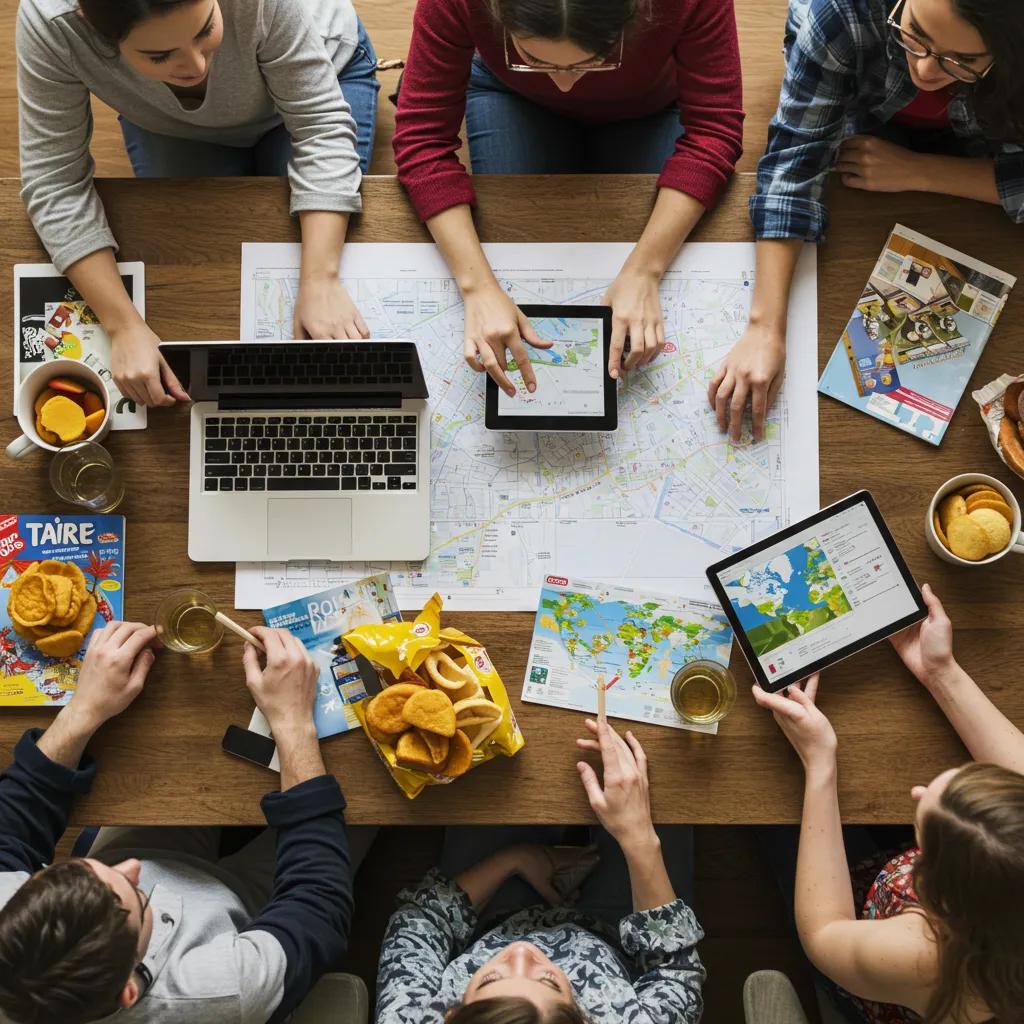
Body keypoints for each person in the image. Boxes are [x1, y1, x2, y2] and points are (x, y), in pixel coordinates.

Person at [0, 621, 369, 1024]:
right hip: (253, 911)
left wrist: (83, 707)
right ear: (129, 990)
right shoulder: (221, 992)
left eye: (83, 872)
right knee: (363, 804)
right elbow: (317, 903)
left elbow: (12, 825)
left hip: (168, 855)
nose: (132, 868)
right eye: (135, 899)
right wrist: (293, 724)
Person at [17, 0, 380, 409]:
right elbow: (55, 181)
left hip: (321, 77)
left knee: (304, 233)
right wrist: (122, 326)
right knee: (198, 259)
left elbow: (320, 127)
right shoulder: (50, 22)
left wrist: (320, 280)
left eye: (205, 29)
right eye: (159, 54)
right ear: (90, 26)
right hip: (171, 121)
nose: (196, 67)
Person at [393, 0, 744, 397]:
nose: (564, 84)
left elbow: (714, 129)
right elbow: (422, 140)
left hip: (650, 108)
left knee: (640, 284)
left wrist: (646, 270)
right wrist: (476, 288)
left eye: (591, 61)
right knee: (525, 278)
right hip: (513, 97)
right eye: (535, 58)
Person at [711, 0, 1024, 442]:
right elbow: (795, 161)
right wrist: (764, 328)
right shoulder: (844, 11)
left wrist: (920, 171)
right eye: (914, 33)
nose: (925, 69)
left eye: (963, 60)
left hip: (972, 152)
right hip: (857, 120)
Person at [752, 584, 1024, 1024]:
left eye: (923, 829)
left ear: (935, 892)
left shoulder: (926, 960)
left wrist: (819, 764)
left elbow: (823, 934)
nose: (916, 793)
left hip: (871, 953)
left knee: (768, 805)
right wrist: (940, 671)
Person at [375, 715, 705, 1023]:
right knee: (669, 764)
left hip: (493, 913)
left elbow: (417, 923)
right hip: (619, 936)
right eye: (549, 981)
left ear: (449, 1014)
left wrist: (515, 859)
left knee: (487, 746)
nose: (522, 952)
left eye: (491, 978)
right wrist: (638, 836)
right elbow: (674, 973)